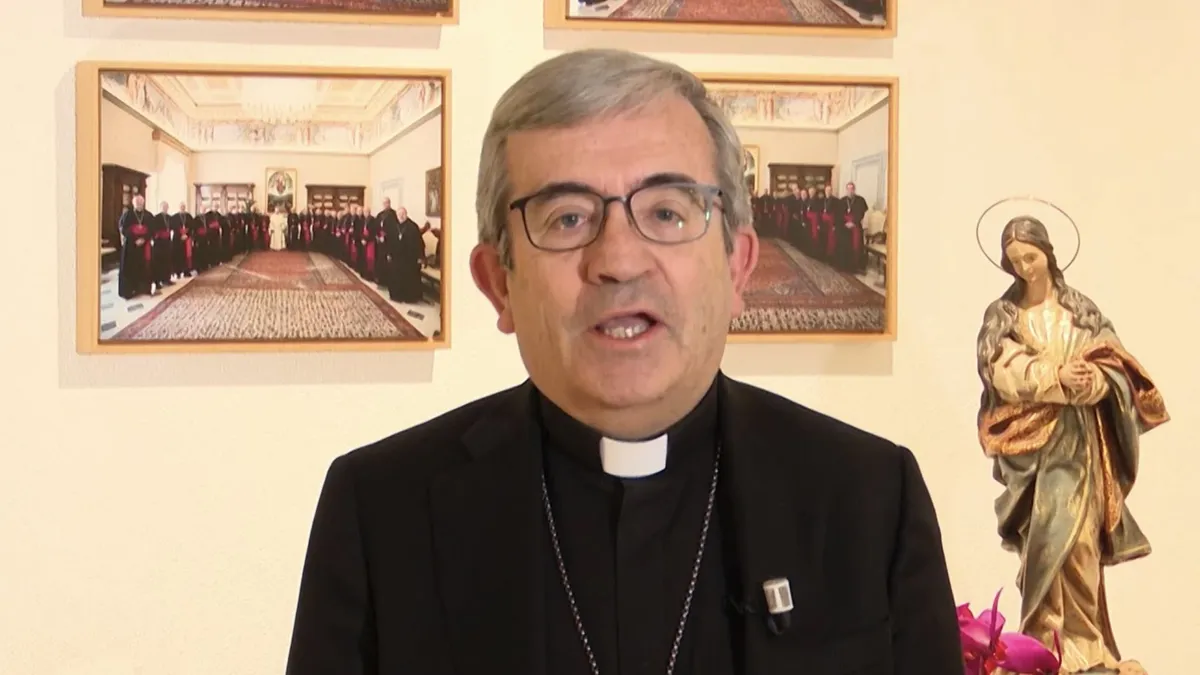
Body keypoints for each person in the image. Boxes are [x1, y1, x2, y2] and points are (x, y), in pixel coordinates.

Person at [285, 48, 961, 675]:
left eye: (667, 212)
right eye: (567, 218)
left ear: (738, 267)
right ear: (498, 284)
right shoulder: (382, 513)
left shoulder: (869, 500)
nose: (618, 260)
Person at [975, 216, 1168, 673]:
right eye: (1015, 261)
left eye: (1031, 257)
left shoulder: (1081, 312)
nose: (1025, 268)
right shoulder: (1003, 316)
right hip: (1033, 450)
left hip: (1081, 445)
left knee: (1080, 545)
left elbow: (1116, 363)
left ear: (1048, 253)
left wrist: (1094, 380)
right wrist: (1055, 376)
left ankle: (1087, 645)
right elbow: (1000, 369)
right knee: (1043, 542)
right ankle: (1045, 643)